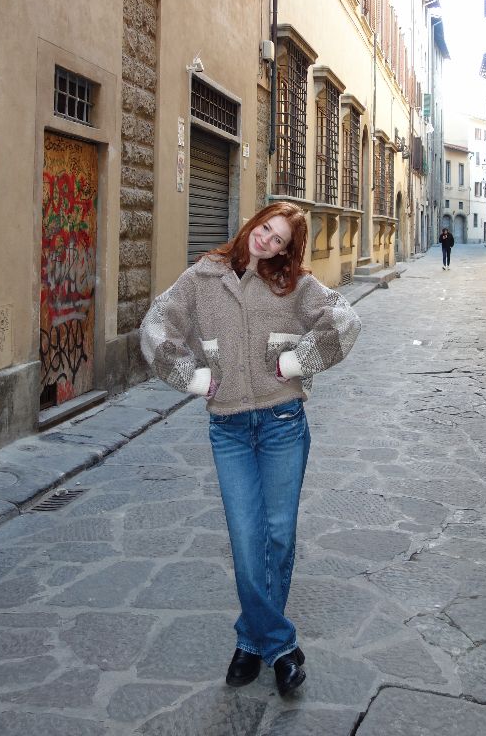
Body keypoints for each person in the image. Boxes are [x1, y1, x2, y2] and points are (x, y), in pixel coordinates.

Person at [140, 202, 361, 696]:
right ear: (252, 224)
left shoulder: (294, 284)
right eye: (266, 230)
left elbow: (345, 323)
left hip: (283, 423)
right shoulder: (204, 277)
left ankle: (251, 641)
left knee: (278, 537)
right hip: (230, 430)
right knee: (247, 541)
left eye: (280, 240)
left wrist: (298, 362)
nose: (268, 242)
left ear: (288, 249)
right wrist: (191, 377)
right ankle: (279, 645)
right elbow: (156, 324)